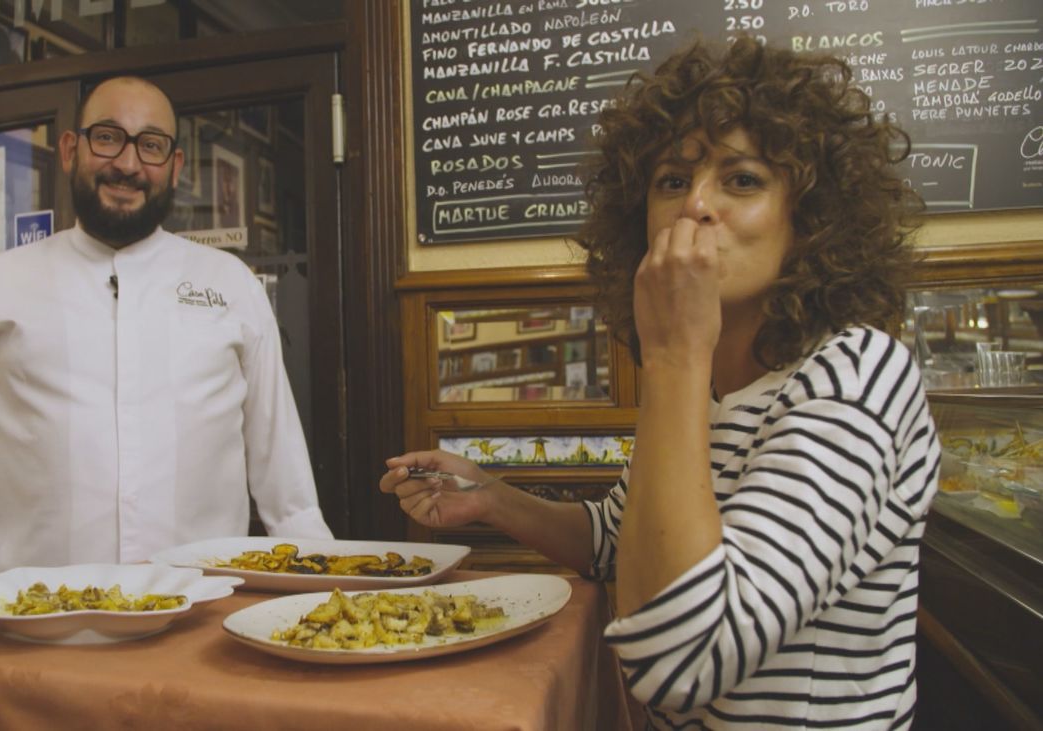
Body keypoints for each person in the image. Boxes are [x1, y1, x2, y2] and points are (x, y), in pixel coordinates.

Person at [381, 37, 937, 729]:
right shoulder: (711, 384)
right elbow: (621, 540)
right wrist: (489, 497)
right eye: (672, 180)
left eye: (742, 180)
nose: (694, 206)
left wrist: (673, 355)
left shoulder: (855, 375)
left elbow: (680, 657)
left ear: (811, 220)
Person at [0, 76, 331, 610]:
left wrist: (312, 581)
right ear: (71, 150)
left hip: (199, 616)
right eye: (108, 137)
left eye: (150, 145)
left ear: (175, 166)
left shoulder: (231, 285)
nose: (127, 164)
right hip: (34, 619)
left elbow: (278, 459)